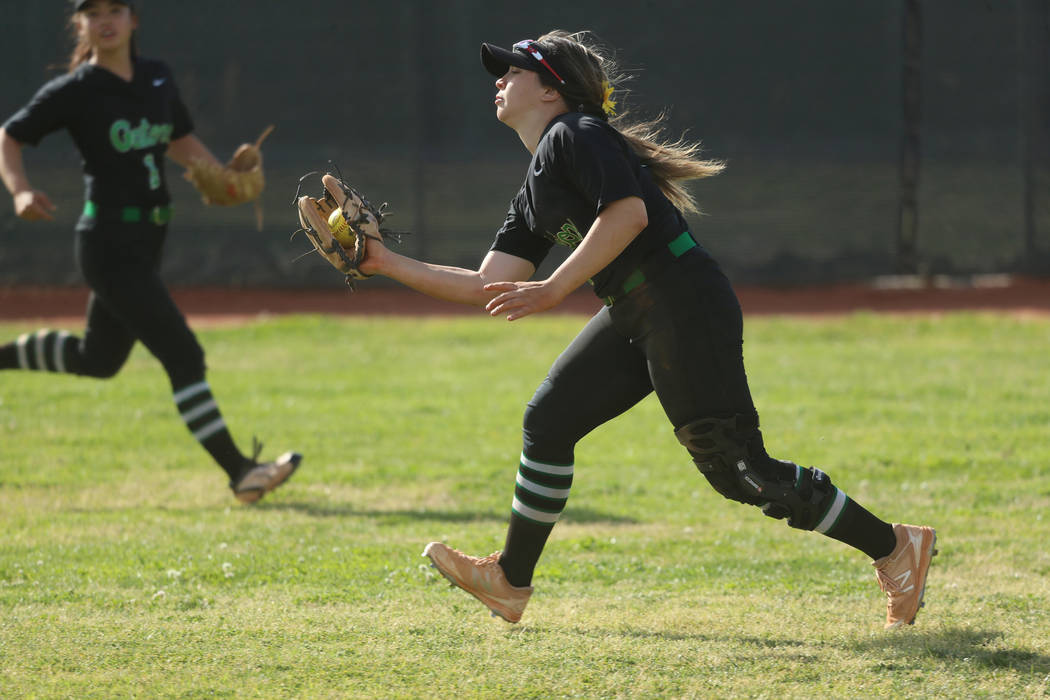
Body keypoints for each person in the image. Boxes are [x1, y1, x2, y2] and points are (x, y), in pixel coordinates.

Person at [317, 30, 936, 628]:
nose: (500, 78)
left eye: (514, 69)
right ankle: (510, 579)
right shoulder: (541, 177)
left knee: (742, 471)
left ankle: (894, 546)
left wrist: (554, 288)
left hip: (682, 301)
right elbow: (489, 284)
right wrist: (382, 262)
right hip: (636, 309)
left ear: (552, 90)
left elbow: (629, 215)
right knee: (550, 420)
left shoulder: (576, 133)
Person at [0, 0, 300, 503]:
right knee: (184, 354)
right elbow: (9, 137)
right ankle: (241, 472)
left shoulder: (156, 77)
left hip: (147, 241)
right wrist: (20, 191)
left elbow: (178, 140)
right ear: (81, 24)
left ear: (133, 19)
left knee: (97, 359)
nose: (105, 20)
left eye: (116, 9)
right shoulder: (76, 90)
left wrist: (222, 176)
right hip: (107, 242)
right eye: (92, 12)